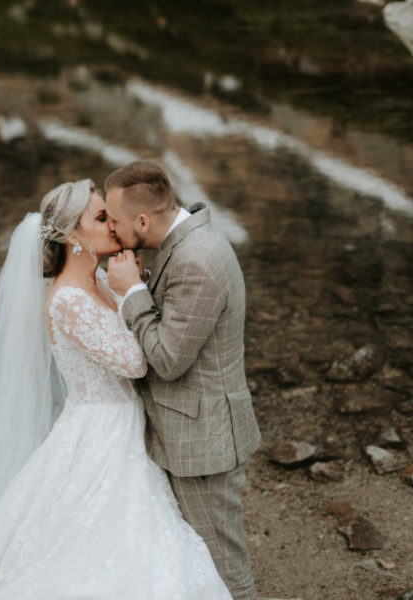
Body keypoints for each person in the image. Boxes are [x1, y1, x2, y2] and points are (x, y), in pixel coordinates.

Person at [0, 179, 232, 599]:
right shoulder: (68, 300)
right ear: (73, 235)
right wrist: (136, 292)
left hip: (125, 425)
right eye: (101, 217)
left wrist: (128, 288)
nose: (114, 225)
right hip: (100, 431)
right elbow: (135, 362)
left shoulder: (103, 280)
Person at [105, 161, 261, 600]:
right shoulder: (184, 244)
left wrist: (133, 293)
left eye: (115, 221)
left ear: (142, 220)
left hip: (204, 441)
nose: (112, 231)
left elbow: (170, 359)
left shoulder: (198, 260)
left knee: (223, 569)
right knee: (196, 560)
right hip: (195, 431)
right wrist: (144, 284)